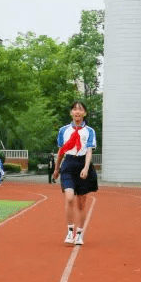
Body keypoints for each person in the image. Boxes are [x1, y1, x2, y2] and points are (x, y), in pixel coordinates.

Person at [52, 100, 98, 246]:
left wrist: (86, 167)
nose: (77, 112)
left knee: (81, 204)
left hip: (83, 164)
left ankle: (79, 233)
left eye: (80, 109)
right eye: (75, 109)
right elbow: (61, 151)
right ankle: (70, 230)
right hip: (68, 164)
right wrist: (56, 168)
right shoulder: (63, 130)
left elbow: (89, 150)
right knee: (70, 197)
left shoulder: (89, 131)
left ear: (84, 113)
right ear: (71, 112)